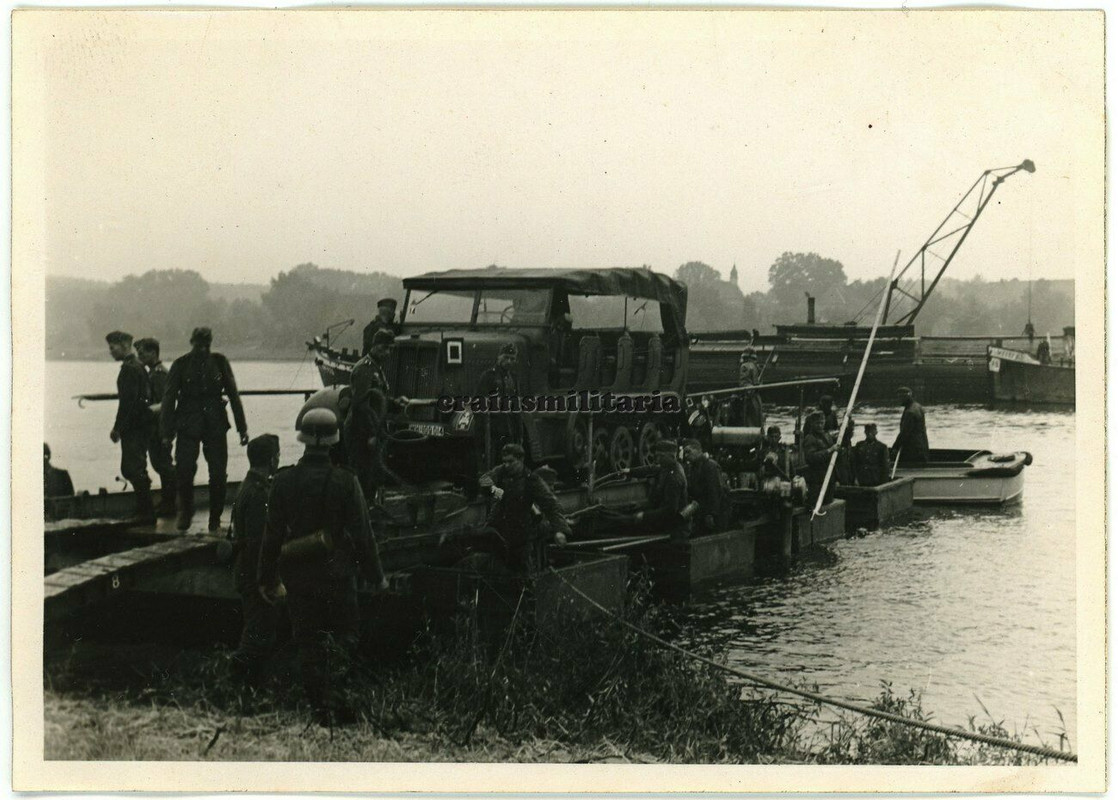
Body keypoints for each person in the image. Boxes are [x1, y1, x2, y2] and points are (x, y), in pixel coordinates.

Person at [258, 408, 389, 724]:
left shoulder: (283, 480)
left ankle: (319, 709)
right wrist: (377, 577)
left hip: (299, 577)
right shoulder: (346, 481)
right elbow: (363, 533)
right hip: (338, 575)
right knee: (345, 637)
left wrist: (267, 579)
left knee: (308, 641)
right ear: (334, 441)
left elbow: (271, 536)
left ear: (302, 439)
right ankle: (338, 700)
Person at [161, 327, 249, 532]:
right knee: (184, 470)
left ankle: (215, 518)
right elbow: (168, 399)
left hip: (215, 424)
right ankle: (186, 511)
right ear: (191, 342)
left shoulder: (219, 362)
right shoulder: (180, 365)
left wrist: (242, 428)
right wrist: (166, 433)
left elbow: (234, 396)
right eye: (198, 344)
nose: (202, 348)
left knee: (218, 473)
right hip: (187, 424)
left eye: (206, 344)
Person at [229, 434, 281, 683]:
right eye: (277, 455)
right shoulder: (260, 494)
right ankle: (236, 679)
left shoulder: (247, 486)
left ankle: (250, 684)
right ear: (272, 460)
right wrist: (265, 581)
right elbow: (259, 543)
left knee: (259, 630)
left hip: (246, 569)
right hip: (253, 572)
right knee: (257, 633)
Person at [479, 443, 570, 573]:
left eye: (511, 461)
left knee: (522, 572)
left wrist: (559, 530)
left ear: (521, 460)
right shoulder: (501, 471)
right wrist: (492, 489)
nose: (507, 465)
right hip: (498, 530)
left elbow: (550, 504)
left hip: (520, 534)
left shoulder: (531, 480)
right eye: (504, 462)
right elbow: (483, 479)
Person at [345, 328, 408, 499]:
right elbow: (361, 405)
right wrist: (371, 434)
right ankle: (363, 514)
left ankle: (370, 511)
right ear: (378, 347)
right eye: (387, 348)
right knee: (364, 476)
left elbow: (378, 399)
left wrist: (395, 403)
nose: (388, 353)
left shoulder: (375, 368)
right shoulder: (365, 369)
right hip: (361, 432)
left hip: (369, 429)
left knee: (372, 476)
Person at [106, 331, 155, 523]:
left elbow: (128, 403)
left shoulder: (129, 369)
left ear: (125, 345)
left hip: (134, 427)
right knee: (135, 467)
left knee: (132, 468)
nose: (110, 351)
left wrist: (117, 428)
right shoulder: (138, 367)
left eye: (113, 347)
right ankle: (144, 510)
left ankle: (146, 513)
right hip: (141, 424)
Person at [135, 337, 176, 517]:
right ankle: (168, 501)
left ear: (153, 353)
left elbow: (165, 403)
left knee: (163, 465)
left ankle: (170, 503)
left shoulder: (159, 374)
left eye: (142, 352)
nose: (140, 356)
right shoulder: (153, 373)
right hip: (156, 427)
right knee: (160, 463)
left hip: (161, 427)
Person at [634, 439, 691, 543]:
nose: (657, 460)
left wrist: (644, 516)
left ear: (670, 456)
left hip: (675, 531)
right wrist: (630, 471)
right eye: (657, 456)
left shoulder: (674, 477)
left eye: (660, 456)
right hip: (669, 525)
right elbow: (650, 469)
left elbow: (670, 510)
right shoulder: (667, 467)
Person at [477, 343, 522, 464]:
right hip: (494, 428)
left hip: (509, 427)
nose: (508, 361)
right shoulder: (488, 376)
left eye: (512, 359)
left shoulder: (514, 378)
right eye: (506, 357)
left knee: (509, 461)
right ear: (499, 357)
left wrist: (519, 431)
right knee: (494, 462)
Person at [681, 439, 727, 537]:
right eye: (684, 453)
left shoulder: (710, 466)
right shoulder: (693, 468)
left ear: (698, 450)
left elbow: (715, 491)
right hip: (701, 512)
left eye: (688, 452)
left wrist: (711, 514)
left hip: (712, 514)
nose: (686, 456)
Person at [801, 410, 838, 507]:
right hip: (816, 478)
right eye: (817, 423)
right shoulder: (810, 438)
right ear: (812, 423)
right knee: (816, 502)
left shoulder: (827, 436)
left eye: (822, 423)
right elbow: (810, 457)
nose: (820, 425)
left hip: (829, 475)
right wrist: (829, 450)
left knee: (828, 501)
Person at [892, 386, 929, 464]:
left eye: (900, 397)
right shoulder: (917, 406)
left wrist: (895, 447)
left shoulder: (910, 412)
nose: (899, 400)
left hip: (913, 449)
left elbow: (904, 433)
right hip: (922, 446)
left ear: (906, 397)